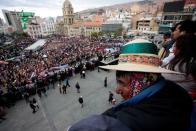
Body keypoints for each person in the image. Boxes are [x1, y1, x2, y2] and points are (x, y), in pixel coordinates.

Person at [68, 39, 193, 131]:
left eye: (122, 83)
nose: (117, 90)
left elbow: (110, 125)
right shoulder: (175, 90)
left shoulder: (143, 118)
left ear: (142, 81)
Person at [162, 35, 196, 100]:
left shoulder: (184, 64)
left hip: (180, 98)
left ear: (182, 49)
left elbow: (165, 76)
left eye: (175, 46)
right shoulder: (185, 61)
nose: (172, 48)